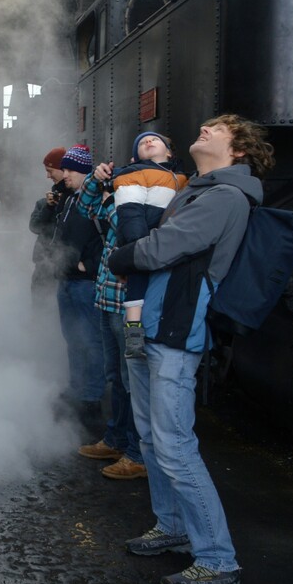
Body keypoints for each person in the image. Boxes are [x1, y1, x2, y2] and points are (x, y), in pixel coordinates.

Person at [107, 114, 275, 584]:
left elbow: (162, 247)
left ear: (238, 150)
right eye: (203, 125)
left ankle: (218, 560)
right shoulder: (198, 189)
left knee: (175, 445)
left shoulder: (224, 197)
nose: (203, 128)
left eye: (217, 128)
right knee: (153, 439)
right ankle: (173, 525)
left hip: (176, 332)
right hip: (152, 325)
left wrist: (122, 257)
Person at [72, 161, 145, 480]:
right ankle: (116, 439)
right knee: (115, 375)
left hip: (130, 306)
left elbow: (136, 235)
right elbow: (86, 207)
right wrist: (94, 180)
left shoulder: (153, 198)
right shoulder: (117, 199)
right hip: (108, 298)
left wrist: (110, 197)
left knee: (135, 380)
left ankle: (138, 453)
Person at [109, 132, 189, 358]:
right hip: (143, 240)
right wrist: (137, 244)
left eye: (155, 140)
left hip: (165, 243)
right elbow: (130, 209)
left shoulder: (183, 179)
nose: (148, 141)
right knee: (137, 285)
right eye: (142, 143)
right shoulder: (134, 173)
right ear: (136, 158)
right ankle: (133, 335)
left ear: (169, 151)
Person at [52, 144, 105, 426]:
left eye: (69, 169)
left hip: (86, 283)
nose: (64, 173)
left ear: (84, 170)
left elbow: (113, 234)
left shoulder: (96, 200)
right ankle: (76, 391)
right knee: (73, 340)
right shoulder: (70, 198)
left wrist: (92, 265)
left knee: (91, 343)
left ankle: (91, 400)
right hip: (69, 280)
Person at [28, 148, 67, 310]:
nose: (48, 176)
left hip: (64, 266)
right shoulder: (43, 203)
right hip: (43, 264)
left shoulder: (74, 201)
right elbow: (34, 227)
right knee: (40, 305)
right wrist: (48, 208)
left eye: (50, 171)